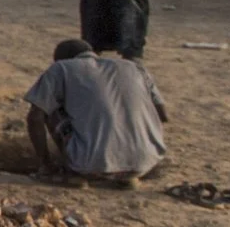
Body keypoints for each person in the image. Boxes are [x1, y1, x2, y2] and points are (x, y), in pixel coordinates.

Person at [25, 38, 168, 187]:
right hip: (145, 162)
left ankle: (72, 174)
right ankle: (127, 177)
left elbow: (35, 118)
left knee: (47, 107)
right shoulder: (135, 67)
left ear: (62, 59)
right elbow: (162, 115)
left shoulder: (61, 68)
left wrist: (46, 163)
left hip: (89, 162)